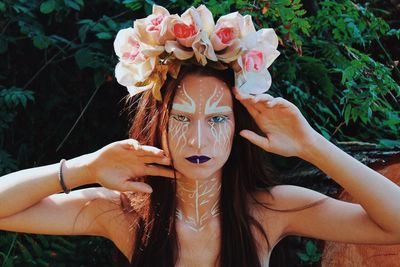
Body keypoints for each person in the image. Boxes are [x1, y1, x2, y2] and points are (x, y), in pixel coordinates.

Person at [1, 4, 400, 267]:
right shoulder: (124, 213)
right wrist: (88, 167)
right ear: (159, 124)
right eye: (181, 118)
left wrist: (313, 145)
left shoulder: (270, 211)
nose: (197, 140)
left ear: (239, 125)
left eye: (216, 120)